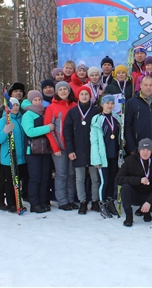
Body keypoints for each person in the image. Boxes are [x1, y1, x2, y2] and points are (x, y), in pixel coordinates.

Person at [115, 138, 152, 227]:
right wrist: (139, 180)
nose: (145, 152)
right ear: (139, 150)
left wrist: (149, 202)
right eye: (143, 149)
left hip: (149, 194)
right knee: (125, 187)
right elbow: (118, 179)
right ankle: (129, 216)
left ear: (151, 151)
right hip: (135, 194)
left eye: (148, 150)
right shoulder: (129, 160)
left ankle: (146, 211)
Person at [64, 86, 101, 215]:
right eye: (82, 94)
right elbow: (67, 133)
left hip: (93, 150)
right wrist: (70, 150)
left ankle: (95, 201)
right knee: (79, 178)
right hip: (78, 150)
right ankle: (83, 202)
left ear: (90, 96)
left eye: (86, 94)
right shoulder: (73, 112)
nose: (84, 96)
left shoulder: (96, 111)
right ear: (78, 96)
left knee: (95, 178)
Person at [44, 81, 78, 211]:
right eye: (60, 89)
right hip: (59, 147)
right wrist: (55, 147)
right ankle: (62, 201)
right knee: (61, 174)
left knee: (71, 174)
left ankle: (70, 199)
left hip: (72, 147)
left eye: (65, 89)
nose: (63, 91)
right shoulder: (52, 107)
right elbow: (49, 129)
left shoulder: (74, 105)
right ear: (57, 92)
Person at [21, 90, 55, 213]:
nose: (37, 102)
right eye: (35, 100)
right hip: (33, 150)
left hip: (44, 150)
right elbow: (30, 131)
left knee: (44, 177)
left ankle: (43, 201)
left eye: (39, 100)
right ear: (30, 101)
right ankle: (34, 204)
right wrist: (47, 128)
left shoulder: (44, 112)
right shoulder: (28, 115)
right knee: (35, 177)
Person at [91, 94, 122, 218]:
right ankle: (102, 204)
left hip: (115, 155)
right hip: (103, 156)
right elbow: (94, 141)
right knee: (105, 181)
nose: (109, 105)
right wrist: (96, 159)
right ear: (102, 104)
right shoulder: (97, 119)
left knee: (112, 181)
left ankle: (110, 203)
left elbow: (120, 135)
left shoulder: (117, 118)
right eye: (107, 103)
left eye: (111, 103)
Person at [0, 97, 26, 213]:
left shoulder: (22, 118)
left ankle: (19, 202)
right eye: (13, 106)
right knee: (11, 181)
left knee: (19, 181)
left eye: (17, 105)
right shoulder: (3, 121)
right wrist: (5, 131)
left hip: (21, 157)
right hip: (9, 158)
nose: (15, 108)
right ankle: (11, 203)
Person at [124, 76, 152, 155]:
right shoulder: (131, 102)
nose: (148, 87)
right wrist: (132, 148)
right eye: (145, 85)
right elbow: (127, 126)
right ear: (141, 85)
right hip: (139, 149)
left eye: (150, 85)